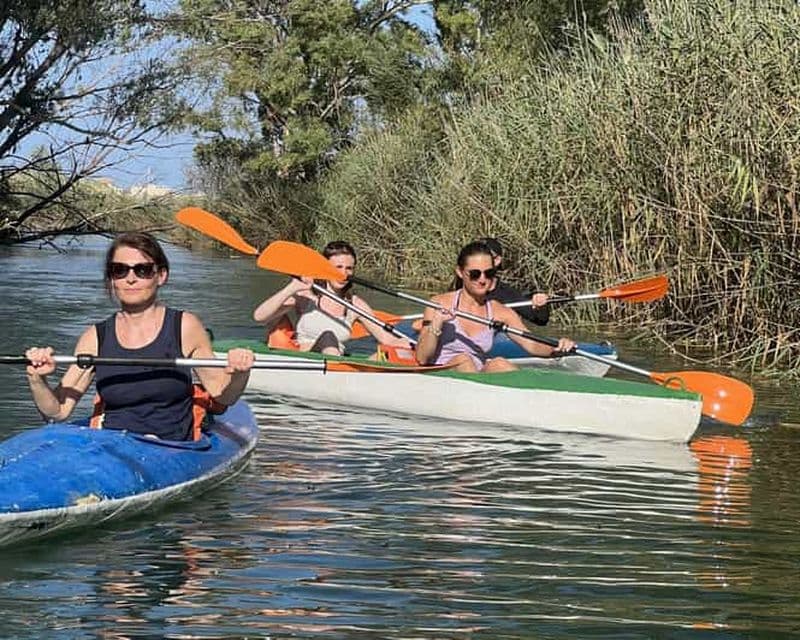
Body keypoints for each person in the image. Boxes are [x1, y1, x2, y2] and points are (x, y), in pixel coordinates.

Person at [24, 232, 255, 442]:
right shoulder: (95, 337)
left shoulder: (185, 327)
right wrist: (37, 378)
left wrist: (239, 373)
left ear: (161, 275)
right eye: (119, 270)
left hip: (171, 447)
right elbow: (58, 411)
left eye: (142, 270)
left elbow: (223, 395)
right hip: (112, 445)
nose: (130, 278)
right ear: (111, 278)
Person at [415, 241, 576, 373]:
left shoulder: (500, 311)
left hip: (477, 376)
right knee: (464, 360)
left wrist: (557, 348)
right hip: (442, 374)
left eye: (489, 273)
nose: (483, 280)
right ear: (460, 272)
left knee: (500, 363)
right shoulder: (439, 303)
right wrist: (436, 323)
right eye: (475, 274)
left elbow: (532, 345)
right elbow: (422, 357)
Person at [252, 240, 411, 356]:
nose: (344, 273)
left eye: (349, 268)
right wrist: (291, 288)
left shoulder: (355, 304)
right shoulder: (306, 295)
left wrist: (408, 344)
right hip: (306, 359)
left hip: (336, 361)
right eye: (338, 267)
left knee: (333, 341)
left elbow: (386, 339)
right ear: (325, 268)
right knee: (328, 336)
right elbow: (259, 316)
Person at [479, 237, 550, 326]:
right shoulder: (463, 289)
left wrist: (541, 306)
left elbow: (541, 320)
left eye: (484, 257)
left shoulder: (508, 294)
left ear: (497, 260)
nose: (478, 261)